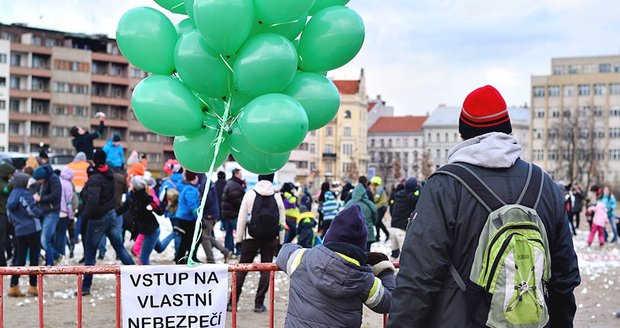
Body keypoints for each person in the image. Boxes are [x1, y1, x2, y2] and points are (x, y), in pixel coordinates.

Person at [388, 85, 580, 327]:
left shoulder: (444, 186)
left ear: (463, 135)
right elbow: (565, 276)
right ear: (508, 131)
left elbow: (418, 280)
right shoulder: (545, 184)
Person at [276, 205, 395, 327]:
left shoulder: (303, 259)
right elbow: (389, 301)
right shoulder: (363, 279)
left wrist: (312, 251)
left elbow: (284, 252)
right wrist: (384, 270)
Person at [229, 173, 285, 313]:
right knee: (266, 270)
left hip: (251, 237)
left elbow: (241, 219)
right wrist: (281, 241)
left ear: (259, 179)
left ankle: (232, 303)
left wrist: (238, 240)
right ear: (272, 180)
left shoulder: (250, 195)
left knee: (242, 269)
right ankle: (259, 304)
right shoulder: (277, 196)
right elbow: (282, 222)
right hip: (271, 238)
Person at [81, 150, 135, 296]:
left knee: (90, 253)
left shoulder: (95, 179)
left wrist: (85, 216)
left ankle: (85, 287)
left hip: (97, 217)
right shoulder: (109, 174)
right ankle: (137, 275)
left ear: (94, 160)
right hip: (110, 214)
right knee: (119, 247)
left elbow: (92, 201)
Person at [6, 173, 43, 297]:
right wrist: (41, 211)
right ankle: (33, 286)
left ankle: (13, 286)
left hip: (19, 231)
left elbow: (9, 216)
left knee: (19, 259)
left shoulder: (11, 196)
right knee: (33, 258)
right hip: (32, 229)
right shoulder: (25, 194)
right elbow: (31, 210)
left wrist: (17, 224)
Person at [125, 176, 166, 265]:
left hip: (151, 231)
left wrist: (154, 207)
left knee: (143, 258)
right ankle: (174, 234)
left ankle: (149, 277)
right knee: (160, 248)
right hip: (146, 229)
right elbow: (123, 208)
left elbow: (160, 212)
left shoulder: (146, 198)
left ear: (135, 187)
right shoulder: (132, 197)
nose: (130, 186)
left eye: (132, 184)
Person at [32, 164, 61, 266]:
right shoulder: (43, 181)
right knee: (46, 239)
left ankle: (51, 262)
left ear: (43, 178)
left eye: (38, 180)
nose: (38, 182)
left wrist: (41, 198)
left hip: (52, 212)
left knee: (45, 240)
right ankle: (54, 258)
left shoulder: (54, 180)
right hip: (44, 212)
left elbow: (55, 195)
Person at [388, 177, 420, 259]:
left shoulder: (399, 195)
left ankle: (391, 271)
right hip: (401, 230)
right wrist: (420, 188)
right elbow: (420, 198)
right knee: (405, 256)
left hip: (393, 227)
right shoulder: (410, 198)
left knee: (394, 254)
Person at [174, 171, 201, 264]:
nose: (198, 179)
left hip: (183, 217)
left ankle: (183, 258)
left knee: (186, 239)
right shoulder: (190, 190)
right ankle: (187, 257)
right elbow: (192, 206)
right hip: (187, 218)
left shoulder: (186, 187)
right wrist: (198, 218)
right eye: (196, 177)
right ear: (193, 179)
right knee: (193, 238)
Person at [343, 182, 377, 251]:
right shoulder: (369, 204)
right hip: (367, 233)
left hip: (352, 234)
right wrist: (373, 223)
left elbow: (343, 218)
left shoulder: (348, 204)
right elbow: (375, 215)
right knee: (367, 256)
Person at [220, 168, 245, 255]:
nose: (241, 175)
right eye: (240, 173)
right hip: (233, 213)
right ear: (236, 174)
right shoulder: (235, 185)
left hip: (228, 212)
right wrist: (243, 208)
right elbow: (236, 200)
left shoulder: (231, 183)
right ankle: (239, 251)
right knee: (240, 232)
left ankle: (229, 249)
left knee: (229, 233)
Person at [54, 167, 75, 263]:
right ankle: (60, 254)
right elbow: (69, 202)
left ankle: (54, 255)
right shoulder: (68, 185)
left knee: (54, 234)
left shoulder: (56, 181)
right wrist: (71, 216)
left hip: (54, 212)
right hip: (64, 213)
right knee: (61, 235)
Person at [0, 162, 15, 267]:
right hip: (2, 215)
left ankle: (9, 257)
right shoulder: (2, 183)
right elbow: (5, 190)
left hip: (7, 214)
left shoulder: (5, 181)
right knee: (2, 240)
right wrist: (14, 182)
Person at [369, 176, 390, 242]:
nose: (371, 185)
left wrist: (371, 191)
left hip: (381, 207)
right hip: (379, 207)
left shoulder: (379, 189)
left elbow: (376, 199)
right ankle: (378, 236)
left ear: (375, 183)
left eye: (372, 183)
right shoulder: (378, 188)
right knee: (377, 222)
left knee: (377, 221)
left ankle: (386, 234)